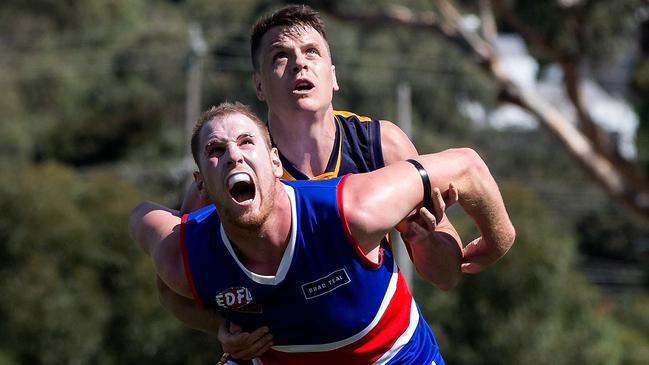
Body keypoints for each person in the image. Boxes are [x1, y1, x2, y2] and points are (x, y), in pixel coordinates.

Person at [157, 4, 506, 361]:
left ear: (333, 75)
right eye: (280, 56)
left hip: (384, 351)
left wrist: (424, 239)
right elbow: (171, 289)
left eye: (312, 52)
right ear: (259, 85)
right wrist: (218, 327)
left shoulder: (382, 146)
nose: (299, 64)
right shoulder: (231, 172)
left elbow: (446, 276)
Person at [129, 103, 515, 364]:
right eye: (216, 149)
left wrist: (499, 240)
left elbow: (465, 165)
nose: (234, 155)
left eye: (247, 142)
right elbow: (142, 218)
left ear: (275, 162)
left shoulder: (351, 210)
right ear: (202, 184)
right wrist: (220, 328)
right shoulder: (184, 253)